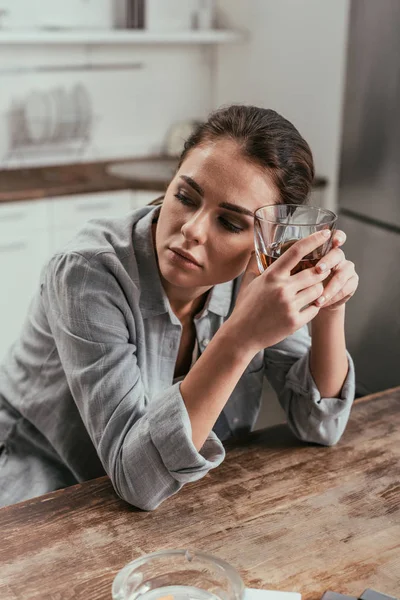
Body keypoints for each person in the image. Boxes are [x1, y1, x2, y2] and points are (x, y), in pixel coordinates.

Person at [0, 105, 358, 509]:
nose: (192, 229)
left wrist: (330, 305)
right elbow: (136, 480)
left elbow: (320, 425)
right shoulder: (88, 272)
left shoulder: (260, 272)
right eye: (186, 197)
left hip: (166, 496)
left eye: (230, 223)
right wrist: (240, 337)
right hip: (38, 473)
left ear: (264, 239)